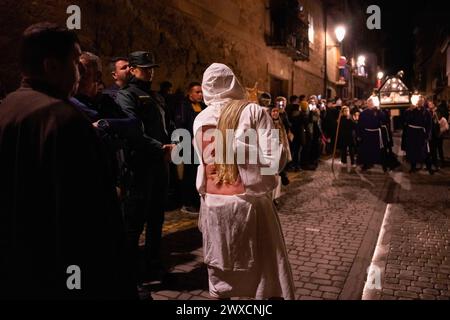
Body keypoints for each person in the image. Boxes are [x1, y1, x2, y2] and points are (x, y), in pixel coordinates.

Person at [0, 22, 135, 299]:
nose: (81, 72)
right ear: (51, 66)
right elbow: (93, 218)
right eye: (76, 63)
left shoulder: (6, 107)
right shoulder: (65, 120)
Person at [193, 63, 295, 300]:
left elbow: (202, 161)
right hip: (251, 203)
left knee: (221, 269)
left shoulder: (200, 119)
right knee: (262, 273)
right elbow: (274, 162)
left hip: (214, 204)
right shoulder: (254, 112)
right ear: (233, 82)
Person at [116, 51, 174, 283]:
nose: (150, 72)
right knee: (135, 222)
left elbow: (166, 125)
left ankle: (152, 264)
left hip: (160, 166)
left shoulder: (156, 96)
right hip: (140, 166)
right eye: (145, 68)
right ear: (132, 69)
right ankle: (131, 275)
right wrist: (160, 147)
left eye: (152, 68)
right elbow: (131, 132)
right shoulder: (126, 96)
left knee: (156, 219)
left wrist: (171, 144)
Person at [175, 82, 207, 214]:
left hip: (200, 146)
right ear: (190, 93)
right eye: (197, 92)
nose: (200, 95)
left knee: (198, 173)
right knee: (189, 175)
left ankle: (196, 201)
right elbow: (181, 126)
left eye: (201, 92)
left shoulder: (203, 106)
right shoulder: (183, 106)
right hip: (188, 145)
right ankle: (187, 203)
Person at [403, 95, 433, 174]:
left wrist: (427, 135)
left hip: (421, 133)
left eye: (422, 101)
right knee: (412, 151)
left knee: (424, 151)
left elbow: (429, 125)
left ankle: (429, 167)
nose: (420, 102)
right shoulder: (411, 110)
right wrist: (410, 111)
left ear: (424, 102)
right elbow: (406, 120)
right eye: (419, 101)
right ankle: (413, 167)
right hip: (412, 133)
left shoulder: (426, 112)